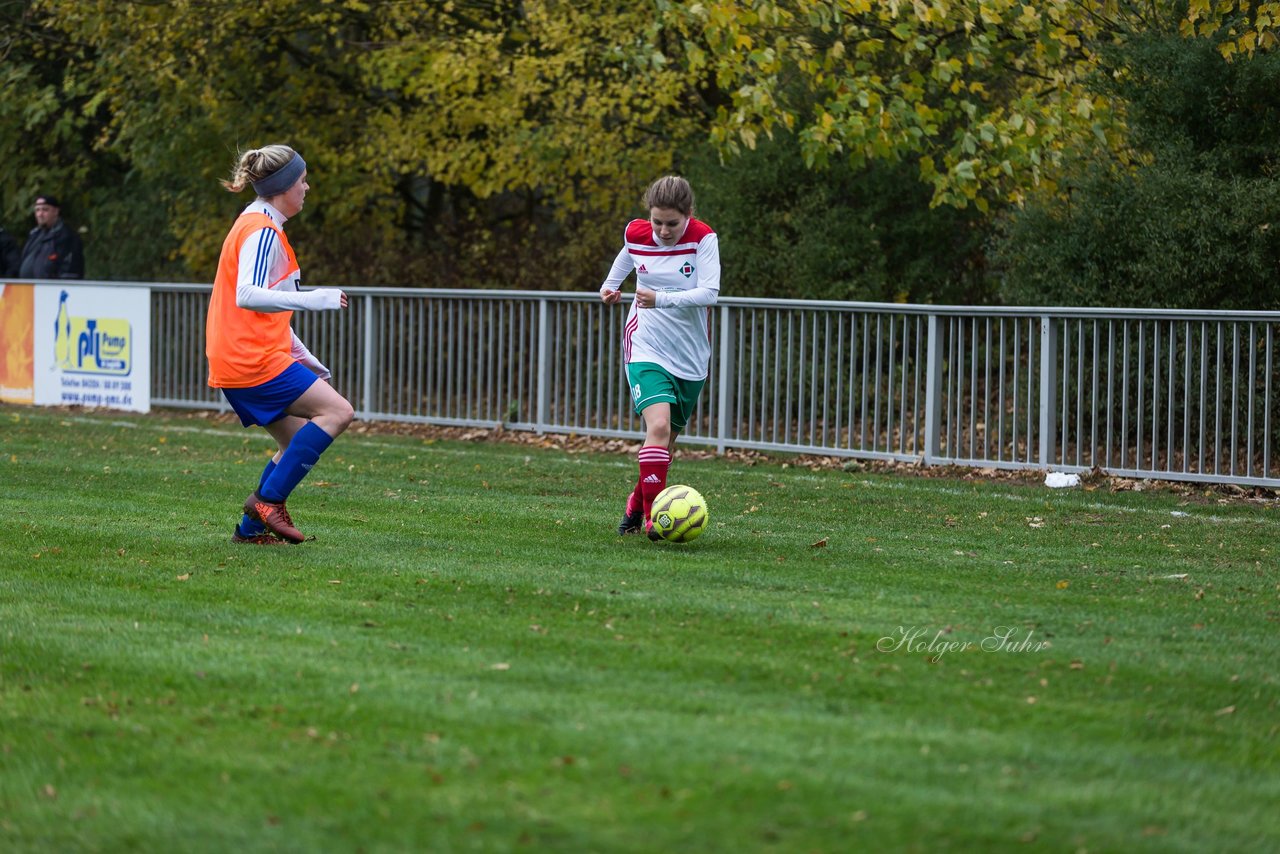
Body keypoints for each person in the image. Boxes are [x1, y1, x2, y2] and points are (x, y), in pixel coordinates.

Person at [205, 144, 354, 545]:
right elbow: (247, 296)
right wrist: (315, 298)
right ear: (285, 186)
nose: (307, 188)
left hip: (241, 355)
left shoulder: (256, 223)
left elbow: (266, 313)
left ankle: (250, 531)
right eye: (303, 181)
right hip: (248, 358)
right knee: (338, 412)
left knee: (293, 442)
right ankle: (267, 502)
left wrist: (304, 357)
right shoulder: (261, 231)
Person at [599, 175, 721, 539]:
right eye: (657, 222)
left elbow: (710, 293)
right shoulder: (636, 233)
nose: (663, 230)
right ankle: (655, 518)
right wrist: (610, 287)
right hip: (645, 345)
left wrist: (660, 298)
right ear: (648, 215)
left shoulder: (703, 238)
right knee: (659, 427)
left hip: (690, 355)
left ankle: (636, 504)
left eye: (672, 223)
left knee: (666, 443)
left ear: (688, 215)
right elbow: (623, 263)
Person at [19, 194, 84, 279]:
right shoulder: (34, 235)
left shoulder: (66, 237)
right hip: (28, 289)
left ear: (56, 212)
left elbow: (70, 271)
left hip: (52, 290)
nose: (40, 214)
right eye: (37, 210)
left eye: (45, 210)